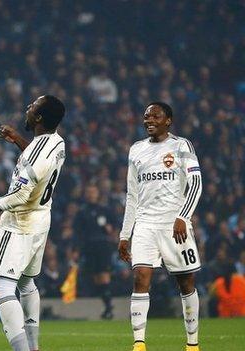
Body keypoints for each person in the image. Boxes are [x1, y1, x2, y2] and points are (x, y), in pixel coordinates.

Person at [0, 95, 66, 351]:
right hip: (41, 222)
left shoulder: (35, 155)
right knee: (26, 283)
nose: (28, 108)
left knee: (2, 285)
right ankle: (33, 347)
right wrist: (18, 141)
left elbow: (20, 196)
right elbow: (37, 161)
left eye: (32, 106)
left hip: (19, 224)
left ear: (39, 118)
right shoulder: (57, 142)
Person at [118, 102, 203, 351]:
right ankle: (139, 344)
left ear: (169, 120)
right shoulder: (136, 150)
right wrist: (125, 235)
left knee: (186, 283)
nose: (149, 120)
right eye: (146, 116)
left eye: (156, 115)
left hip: (174, 224)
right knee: (140, 277)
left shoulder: (181, 145)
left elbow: (195, 183)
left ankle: (192, 343)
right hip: (145, 224)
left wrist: (183, 217)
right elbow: (131, 196)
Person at [74, 184, 116, 319]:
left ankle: (109, 307)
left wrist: (112, 230)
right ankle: (107, 305)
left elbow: (115, 225)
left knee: (104, 274)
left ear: (98, 194)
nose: (91, 194)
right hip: (88, 247)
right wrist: (77, 249)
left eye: (93, 192)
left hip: (103, 245)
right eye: (89, 192)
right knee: (96, 277)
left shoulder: (105, 210)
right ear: (86, 194)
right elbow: (78, 232)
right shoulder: (82, 212)